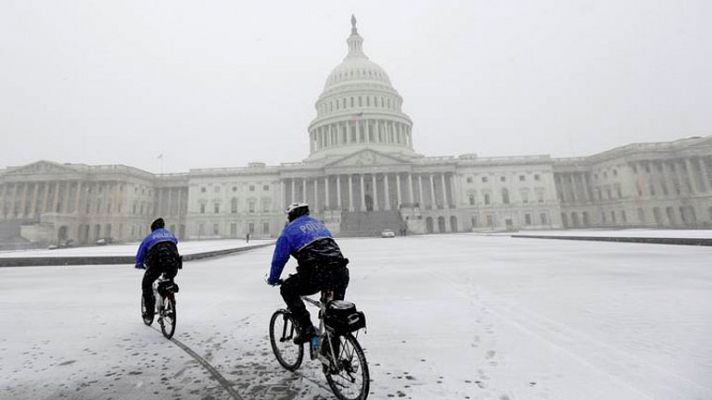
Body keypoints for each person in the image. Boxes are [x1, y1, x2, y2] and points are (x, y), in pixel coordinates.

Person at [267, 203, 350, 344]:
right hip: (341, 273)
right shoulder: (319, 225)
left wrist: (273, 278)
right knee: (335, 318)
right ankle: (333, 357)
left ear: (291, 216)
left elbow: (279, 259)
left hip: (317, 275)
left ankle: (307, 329)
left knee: (288, 289)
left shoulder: (289, 231)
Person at [135, 218, 181, 320]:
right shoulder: (170, 234)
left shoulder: (150, 237)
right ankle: (170, 305)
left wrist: (139, 264)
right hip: (173, 263)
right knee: (168, 281)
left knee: (146, 285)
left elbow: (141, 252)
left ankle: (149, 313)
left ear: (153, 228)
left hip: (156, 264)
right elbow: (175, 242)